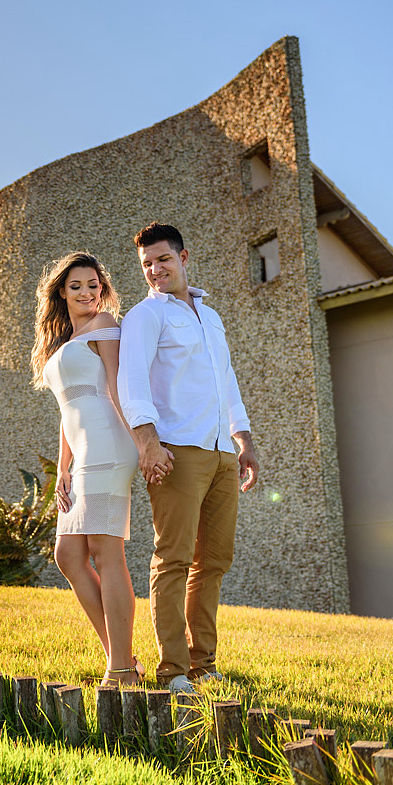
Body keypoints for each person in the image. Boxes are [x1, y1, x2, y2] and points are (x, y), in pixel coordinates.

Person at [118, 222, 259, 693]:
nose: (155, 270)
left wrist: (245, 440)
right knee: (173, 558)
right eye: (147, 264)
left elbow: (228, 382)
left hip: (221, 452)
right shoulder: (145, 315)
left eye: (162, 259)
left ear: (183, 257)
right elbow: (132, 380)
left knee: (215, 561)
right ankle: (173, 670)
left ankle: (205, 664)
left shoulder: (211, 316)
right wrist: (148, 443)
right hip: (176, 451)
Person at [30, 252, 142, 687]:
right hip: (82, 455)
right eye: (77, 286)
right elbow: (67, 410)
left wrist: (145, 445)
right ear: (61, 291)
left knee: (104, 551)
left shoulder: (105, 326)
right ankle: (122, 659)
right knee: (67, 555)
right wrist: (62, 467)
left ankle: (120, 669)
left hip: (110, 445)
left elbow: (116, 387)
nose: (87, 293)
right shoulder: (62, 343)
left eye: (93, 285)